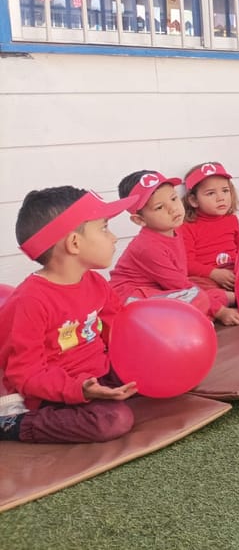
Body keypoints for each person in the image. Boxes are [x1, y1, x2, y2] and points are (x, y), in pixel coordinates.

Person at [0, 187, 138, 443]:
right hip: (53, 391)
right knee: (112, 420)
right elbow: (26, 375)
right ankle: (13, 424)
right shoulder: (30, 301)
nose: (114, 238)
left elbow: (118, 328)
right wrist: (80, 390)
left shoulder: (95, 282)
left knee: (143, 371)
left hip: (99, 372)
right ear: (74, 243)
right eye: (104, 228)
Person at [108, 171, 239, 326]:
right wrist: (221, 312)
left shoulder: (176, 230)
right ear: (140, 220)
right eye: (160, 207)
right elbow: (181, 286)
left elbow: (181, 282)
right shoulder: (148, 247)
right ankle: (210, 310)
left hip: (164, 291)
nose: (173, 209)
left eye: (173, 199)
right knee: (193, 299)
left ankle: (232, 297)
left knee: (201, 294)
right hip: (130, 298)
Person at [179, 162, 239, 291]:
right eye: (210, 193)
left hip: (234, 273)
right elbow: (187, 263)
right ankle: (229, 300)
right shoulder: (187, 226)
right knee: (194, 287)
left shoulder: (231, 220)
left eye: (225, 191)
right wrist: (214, 273)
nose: (220, 198)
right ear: (194, 200)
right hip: (208, 277)